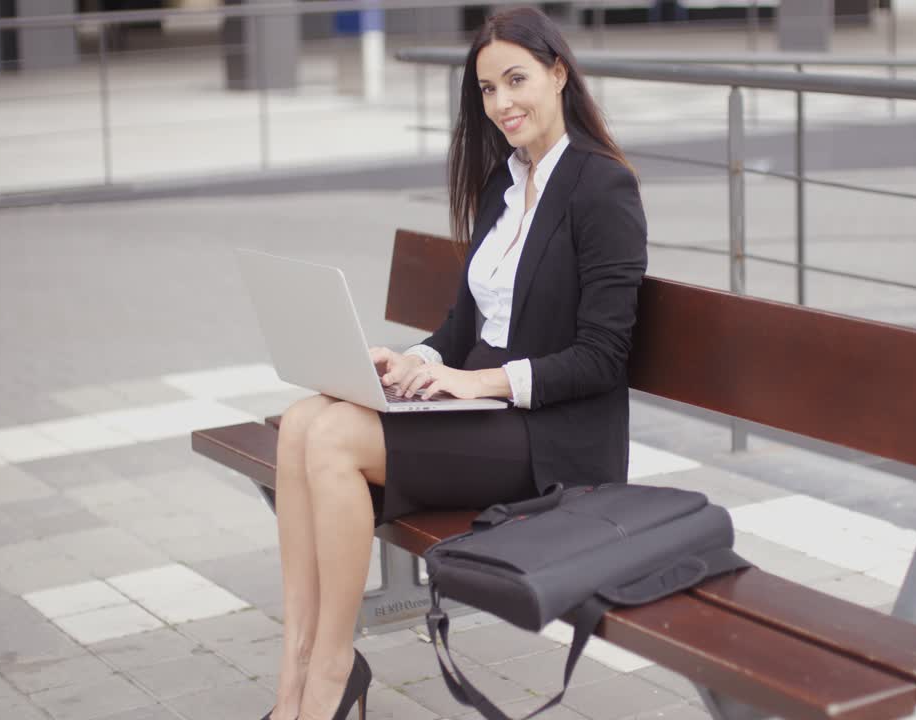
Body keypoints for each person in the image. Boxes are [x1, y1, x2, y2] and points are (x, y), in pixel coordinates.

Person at [258, 7, 648, 720]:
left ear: (559, 73)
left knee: (336, 440)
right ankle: (299, 665)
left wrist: (480, 381)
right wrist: (412, 361)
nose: (502, 103)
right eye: (488, 89)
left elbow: (603, 357)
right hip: (483, 412)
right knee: (304, 420)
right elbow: (464, 323)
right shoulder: (504, 184)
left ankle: (331, 673)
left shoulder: (602, 189)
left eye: (516, 80)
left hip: (551, 438)